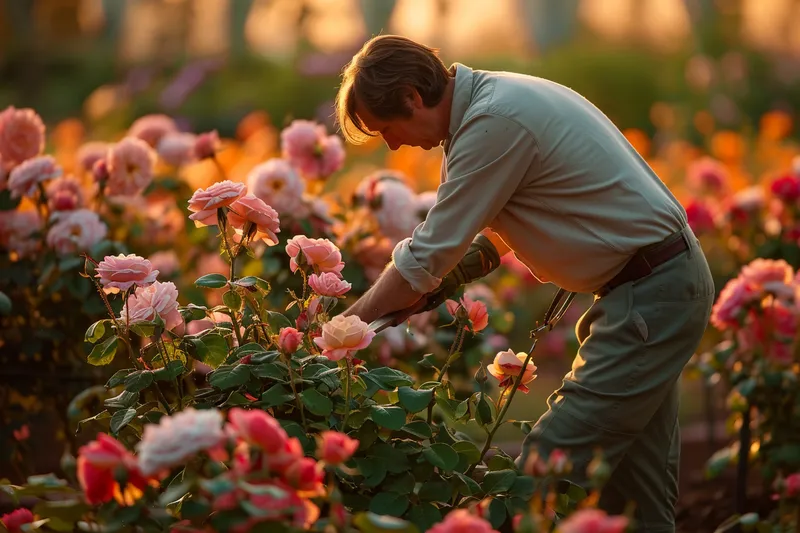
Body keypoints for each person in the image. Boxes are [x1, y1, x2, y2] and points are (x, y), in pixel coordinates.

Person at [337, 34, 714, 533]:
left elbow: (422, 259)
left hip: (651, 294)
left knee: (544, 466)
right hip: (648, 289)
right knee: (632, 489)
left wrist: (340, 331)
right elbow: (502, 228)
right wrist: (443, 282)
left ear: (411, 95)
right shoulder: (496, 102)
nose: (393, 145)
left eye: (388, 128)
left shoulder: (493, 122)